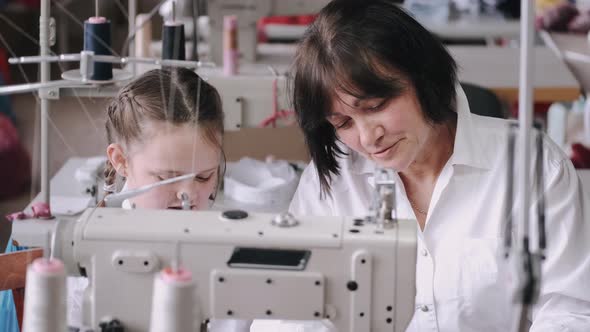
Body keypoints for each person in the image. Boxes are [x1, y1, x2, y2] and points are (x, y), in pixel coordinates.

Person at [286, 0, 590, 331]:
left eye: (376, 106)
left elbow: (569, 308)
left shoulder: (531, 166)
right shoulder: (332, 185)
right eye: (342, 122)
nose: (368, 137)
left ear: (424, 78)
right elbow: (289, 310)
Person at [69, 68, 250, 332]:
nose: (187, 194)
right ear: (121, 161)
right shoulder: (85, 260)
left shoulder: (238, 251)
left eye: (203, 177)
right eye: (167, 177)